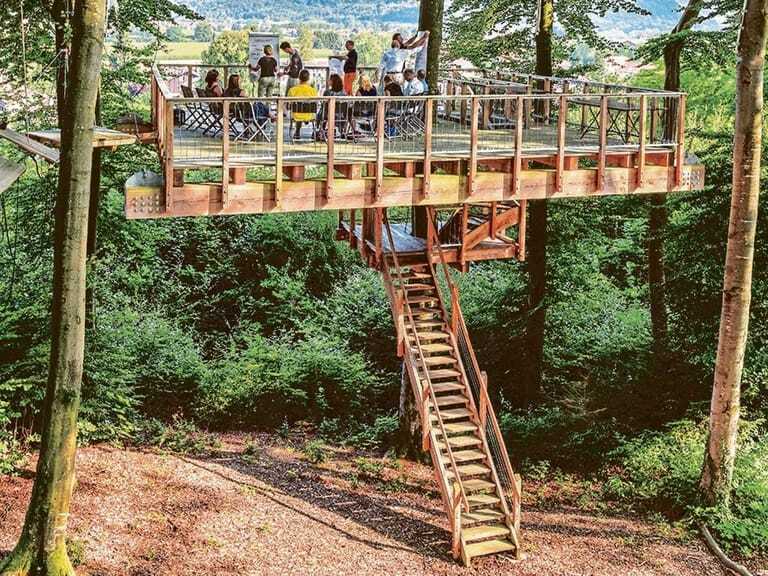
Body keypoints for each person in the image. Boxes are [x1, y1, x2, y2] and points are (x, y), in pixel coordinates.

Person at [287, 69, 318, 140]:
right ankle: (306, 124)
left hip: (296, 115)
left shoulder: (292, 90)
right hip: (310, 115)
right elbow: (316, 103)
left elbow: (288, 104)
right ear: (308, 78)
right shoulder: (313, 91)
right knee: (303, 109)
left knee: (298, 110)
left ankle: (297, 131)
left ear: (299, 78)